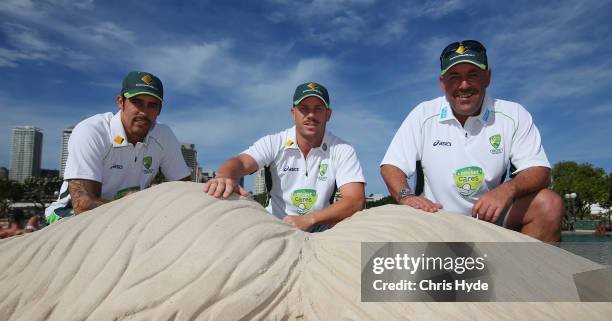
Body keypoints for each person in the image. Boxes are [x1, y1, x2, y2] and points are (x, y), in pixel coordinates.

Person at [380, 40, 563, 242]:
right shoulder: (423, 114)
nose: (464, 85)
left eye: (473, 75)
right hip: (434, 218)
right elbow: (391, 166)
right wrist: (406, 196)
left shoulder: (514, 114)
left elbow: (539, 170)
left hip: (489, 220)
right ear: (443, 83)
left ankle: (527, 273)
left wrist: (507, 190)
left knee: (549, 205)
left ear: (487, 77)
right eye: (454, 77)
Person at [204, 82, 365, 232]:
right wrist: (225, 176)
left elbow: (355, 200)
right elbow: (240, 161)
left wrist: (309, 219)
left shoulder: (343, 149)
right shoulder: (274, 142)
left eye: (318, 109)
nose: (310, 115)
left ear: (328, 114)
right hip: (276, 226)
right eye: (303, 108)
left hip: (320, 228)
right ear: (293, 113)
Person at [45, 71, 191, 224]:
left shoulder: (163, 135)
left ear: (159, 110)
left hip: (130, 214)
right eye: (137, 102)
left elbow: (185, 189)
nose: (143, 112)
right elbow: (83, 205)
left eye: (152, 105)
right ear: (121, 102)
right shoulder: (93, 130)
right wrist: (136, 206)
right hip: (67, 214)